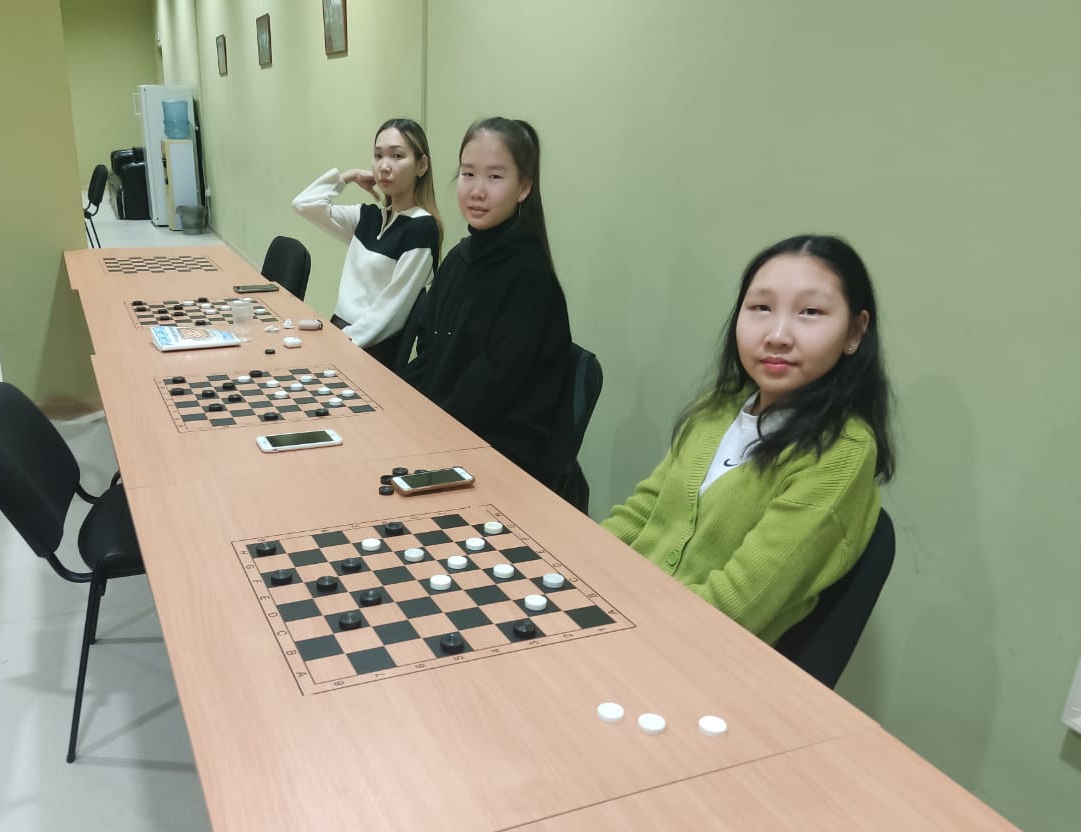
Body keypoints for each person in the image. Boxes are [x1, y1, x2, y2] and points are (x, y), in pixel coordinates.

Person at [601, 235, 895, 645]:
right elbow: (642, 512)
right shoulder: (717, 408)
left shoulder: (841, 452)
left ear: (855, 332)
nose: (777, 334)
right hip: (621, 616)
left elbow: (735, 604)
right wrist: (577, 570)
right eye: (761, 308)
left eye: (810, 312)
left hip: (691, 650)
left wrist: (622, 628)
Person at [403, 117, 571, 485]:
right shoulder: (459, 259)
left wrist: (427, 430)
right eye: (468, 174)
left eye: (495, 177)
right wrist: (400, 407)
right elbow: (429, 353)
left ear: (524, 187)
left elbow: (491, 389)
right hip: (445, 431)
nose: (477, 190)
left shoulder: (529, 277)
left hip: (497, 457)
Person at [292, 118, 442, 366]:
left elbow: (390, 311)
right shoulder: (369, 217)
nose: (384, 166)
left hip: (370, 350)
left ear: (421, 165)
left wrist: (338, 344)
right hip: (341, 332)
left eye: (397, 156)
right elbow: (304, 204)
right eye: (378, 156)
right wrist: (348, 177)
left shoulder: (422, 228)